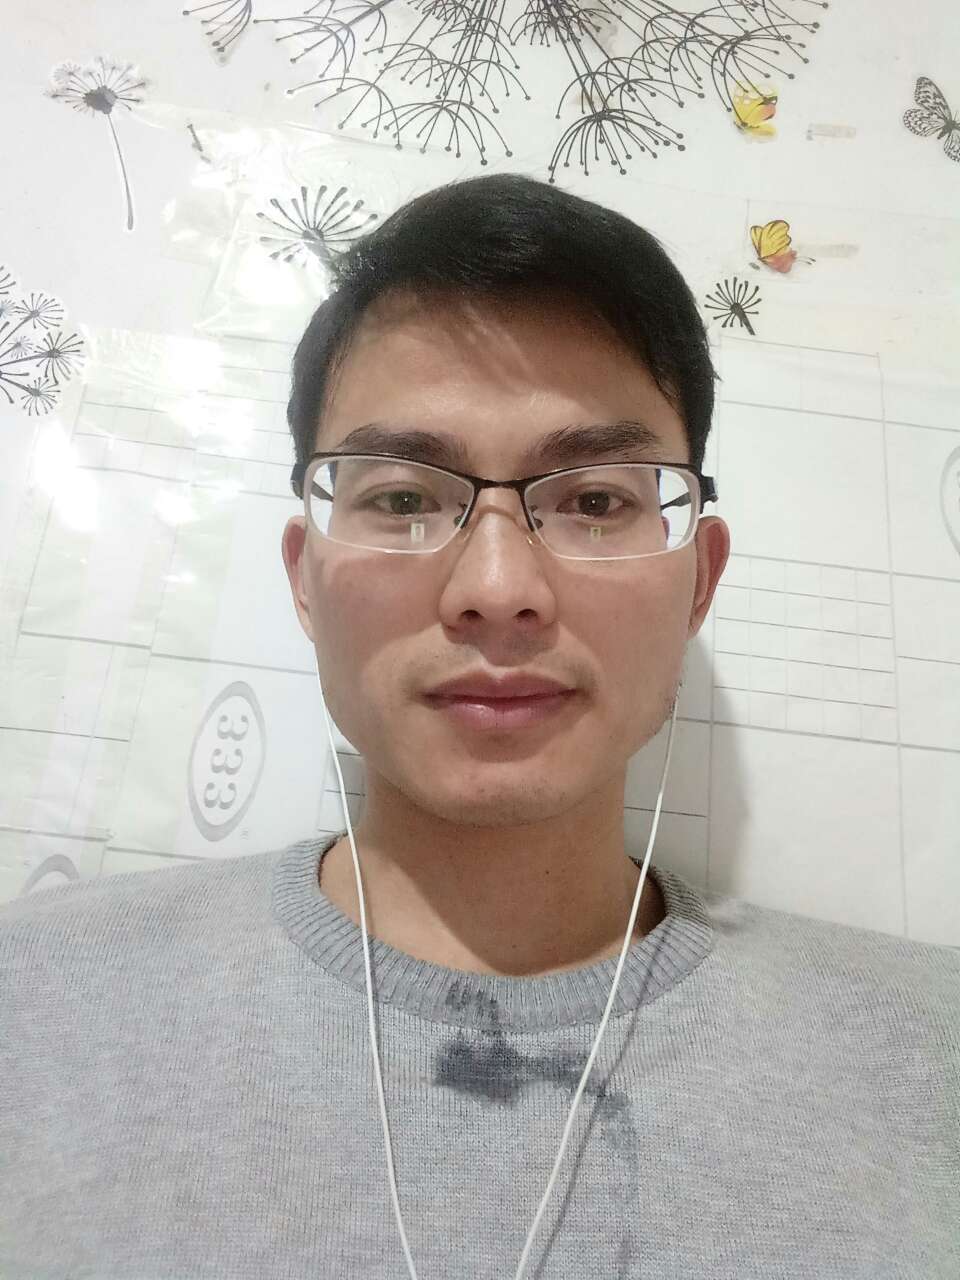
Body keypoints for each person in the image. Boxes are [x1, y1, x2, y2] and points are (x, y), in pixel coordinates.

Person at [1, 173, 958, 1279]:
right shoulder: (38, 1007)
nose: (498, 590)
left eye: (595, 499)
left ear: (698, 580)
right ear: (305, 579)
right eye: (404, 498)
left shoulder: (928, 1055)